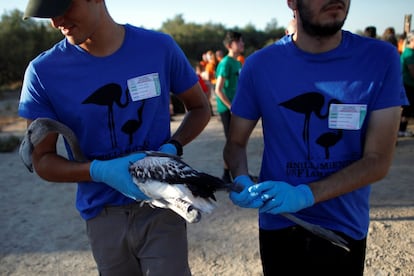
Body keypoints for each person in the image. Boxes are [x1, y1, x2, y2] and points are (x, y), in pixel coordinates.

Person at [18, 0, 211, 275]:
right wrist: (98, 170)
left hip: (162, 205)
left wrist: (172, 146)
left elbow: (200, 108)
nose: (56, 21)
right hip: (102, 215)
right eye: (48, 13)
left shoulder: (159, 48)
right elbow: (43, 161)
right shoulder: (42, 73)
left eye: (63, 7)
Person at [224, 1, 407, 275]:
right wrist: (240, 177)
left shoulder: (380, 59)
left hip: (343, 226)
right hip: (280, 223)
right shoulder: (259, 66)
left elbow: (378, 160)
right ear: (292, 2)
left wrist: (306, 194)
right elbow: (236, 143)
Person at [215, 30, 244, 183]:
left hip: (236, 108)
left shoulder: (238, 62)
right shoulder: (225, 63)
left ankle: (236, 174)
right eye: (239, 41)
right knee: (231, 142)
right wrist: (231, 107)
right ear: (229, 45)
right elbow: (218, 89)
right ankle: (226, 176)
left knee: (237, 141)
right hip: (228, 109)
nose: (242, 44)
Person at [399, 31, 414, 137]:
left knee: (407, 109)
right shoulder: (409, 53)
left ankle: (401, 129)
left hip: (407, 84)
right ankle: (401, 130)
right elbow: (413, 71)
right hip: (408, 85)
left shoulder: (409, 52)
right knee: (407, 109)